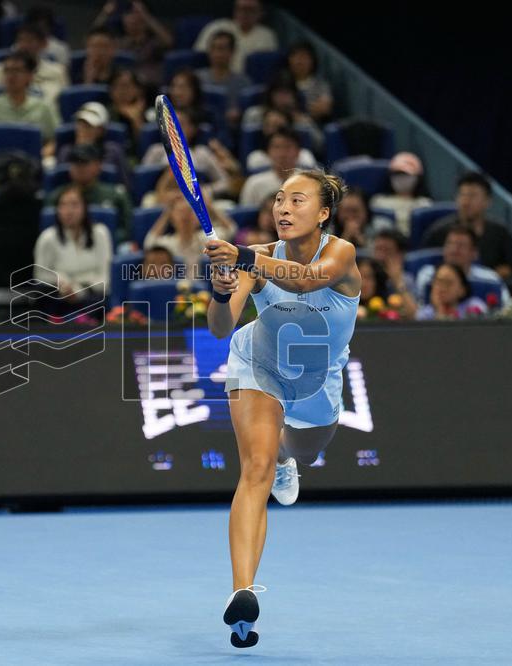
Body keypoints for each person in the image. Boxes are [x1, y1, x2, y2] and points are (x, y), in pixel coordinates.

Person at [203, 168, 359, 648]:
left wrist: (243, 256)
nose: (284, 208)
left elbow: (307, 281)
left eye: (297, 200)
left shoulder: (341, 253)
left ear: (324, 213)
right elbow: (219, 328)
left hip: (317, 383)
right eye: (279, 200)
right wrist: (221, 289)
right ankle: (242, 592)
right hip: (259, 366)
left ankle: (290, 459)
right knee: (256, 468)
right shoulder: (255, 258)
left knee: (301, 451)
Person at [422, 171, 512, 283]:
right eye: (462, 195)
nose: (466, 202)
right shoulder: (438, 233)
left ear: (487, 201)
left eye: (472, 196)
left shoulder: (502, 234)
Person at [33, 186, 113, 309]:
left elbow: (105, 276)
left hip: (92, 296)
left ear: (85, 208)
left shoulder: (100, 234)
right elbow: (40, 275)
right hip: (61, 295)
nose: (69, 211)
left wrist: (81, 291)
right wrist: (63, 283)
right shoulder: (47, 238)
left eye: (74, 205)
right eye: (63, 205)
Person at [0, 51, 60, 159]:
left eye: (17, 70)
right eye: (7, 71)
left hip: (33, 162)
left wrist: (42, 154)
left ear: (30, 76)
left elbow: (55, 140)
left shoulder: (43, 108)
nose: (11, 76)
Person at [44, 144, 132, 240]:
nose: (79, 167)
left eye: (84, 163)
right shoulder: (57, 196)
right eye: (75, 163)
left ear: (98, 165)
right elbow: (49, 228)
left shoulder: (116, 196)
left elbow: (128, 228)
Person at [140, 106, 232, 198]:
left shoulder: (202, 153)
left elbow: (226, 182)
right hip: (161, 198)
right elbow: (141, 182)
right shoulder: (156, 151)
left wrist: (206, 190)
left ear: (192, 129)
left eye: (180, 124)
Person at [144, 193, 235, 281]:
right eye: (180, 212)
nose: (185, 216)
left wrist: (208, 206)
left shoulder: (207, 239)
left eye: (190, 212)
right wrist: (167, 212)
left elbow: (231, 230)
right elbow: (149, 244)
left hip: (205, 287)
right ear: (172, 219)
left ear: (198, 218)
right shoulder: (168, 243)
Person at [416, 225, 508, 304]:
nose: (454, 249)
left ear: (474, 253)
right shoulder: (427, 275)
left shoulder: (491, 279)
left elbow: (507, 310)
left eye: (461, 245)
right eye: (450, 244)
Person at [94, 0, 171, 89]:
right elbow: (93, 39)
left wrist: (146, 16)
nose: (133, 19)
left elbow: (168, 41)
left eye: (137, 14)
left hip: (148, 87)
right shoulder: (118, 43)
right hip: (120, 87)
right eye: (129, 14)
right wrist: (105, 14)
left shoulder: (154, 43)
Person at [0, 23, 69, 104]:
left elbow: (65, 101)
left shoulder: (58, 71)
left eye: (30, 41)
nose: (24, 45)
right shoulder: (0, 69)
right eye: (21, 40)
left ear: (43, 44)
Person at [194, 0, 278, 74]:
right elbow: (198, 57)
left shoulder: (267, 35)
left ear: (260, 12)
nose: (244, 13)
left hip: (248, 82)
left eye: (250, 9)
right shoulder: (216, 27)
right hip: (214, 79)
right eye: (240, 8)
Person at [56, 102, 128, 185]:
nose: (83, 130)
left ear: (101, 130)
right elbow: (60, 182)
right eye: (80, 124)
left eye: (88, 126)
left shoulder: (112, 151)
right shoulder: (66, 151)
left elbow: (124, 183)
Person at [369, 152, 433, 235]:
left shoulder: (424, 204)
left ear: (418, 178)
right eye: (397, 174)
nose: (401, 179)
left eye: (406, 175)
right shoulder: (378, 201)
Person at [197, 30, 251, 126]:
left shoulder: (243, 82)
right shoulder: (197, 78)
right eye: (213, 48)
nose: (216, 53)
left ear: (232, 52)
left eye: (221, 49)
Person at [239, 127, 300, 206]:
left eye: (287, 147)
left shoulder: (310, 182)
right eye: (276, 147)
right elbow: (246, 211)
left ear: (298, 151)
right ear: (268, 152)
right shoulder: (254, 183)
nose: (282, 153)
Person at [245, 108, 316, 173]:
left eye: (278, 126)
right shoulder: (256, 157)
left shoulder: (304, 155)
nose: (272, 130)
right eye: (268, 125)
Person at [415, 263, 487, 320]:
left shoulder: (474, 306)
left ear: (462, 290)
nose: (442, 288)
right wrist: (440, 310)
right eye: (438, 282)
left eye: (448, 283)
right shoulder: (425, 314)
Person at [284, 41, 332, 123]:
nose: (299, 61)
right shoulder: (282, 81)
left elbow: (324, 107)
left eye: (304, 57)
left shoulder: (320, 84)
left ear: (312, 61)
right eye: (295, 56)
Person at [106, 67, 148, 160]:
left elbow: (146, 148)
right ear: (111, 91)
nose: (123, 91)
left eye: (127, 86)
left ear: (137, 90)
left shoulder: (148, 113)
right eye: (118, 86)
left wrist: (136, 119)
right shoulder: (104, 113)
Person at [372, 228, 420, 304]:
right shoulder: (363, 276)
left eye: (386, 250)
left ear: (399, 256)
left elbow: (414, 311)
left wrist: (398, 282)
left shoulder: (406, 281)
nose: (380, 257)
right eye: (377, 249)